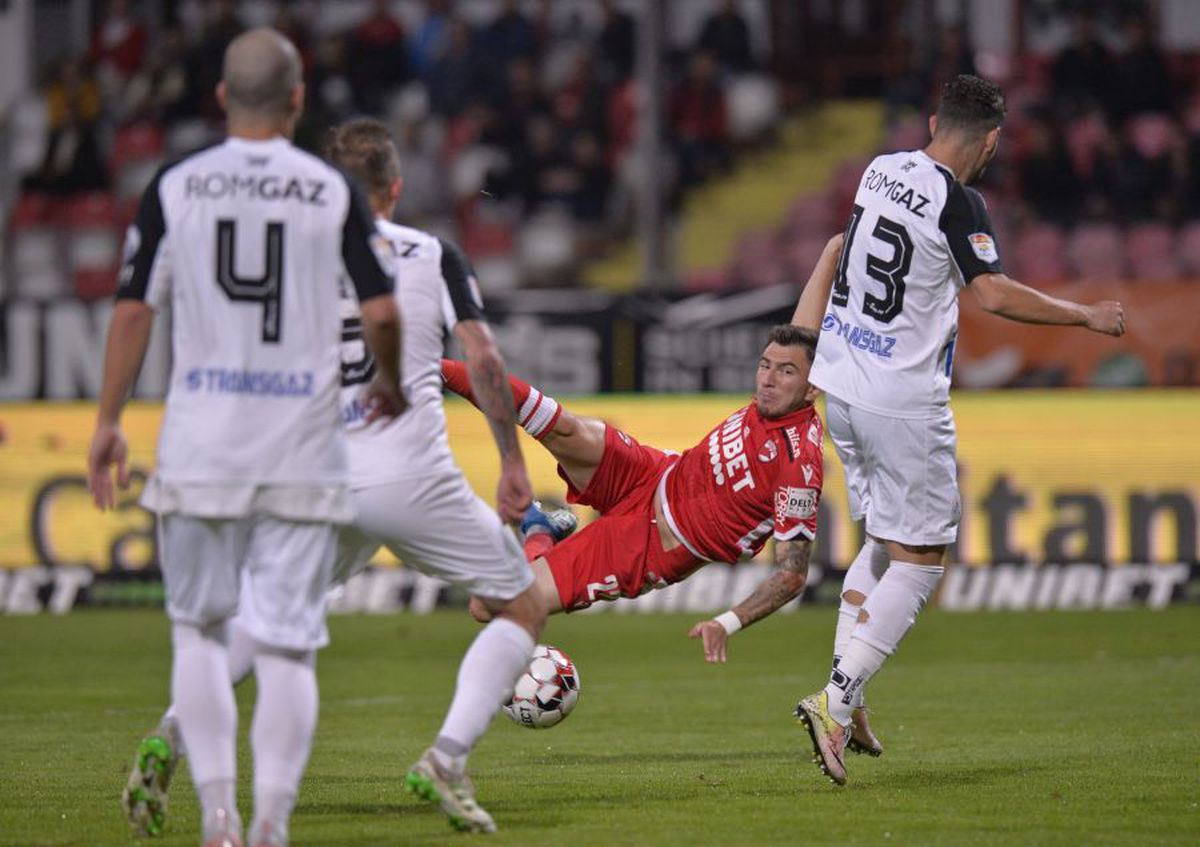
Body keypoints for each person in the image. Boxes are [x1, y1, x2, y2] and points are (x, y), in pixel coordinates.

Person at [120, 118, 549, 836]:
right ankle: (446, 757)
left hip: (309, 475)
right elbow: (485, 359)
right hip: (409, 475)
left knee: (264, 617)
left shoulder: (284, 258)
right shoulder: (429, 252)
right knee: (523, 602)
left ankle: (174, 727)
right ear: (396, 187)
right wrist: (510, 462)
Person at [90, 30, 406, 847]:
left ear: (223, 99)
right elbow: (380, 310)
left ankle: (218, 819)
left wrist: (106, 422)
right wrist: (391, 379)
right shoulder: (331, 189)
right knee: (289, 647)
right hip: (301, 446)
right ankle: (270, 823)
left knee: (197, 632)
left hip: (202, 443)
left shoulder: (175, 185)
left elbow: (132, 310)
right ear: (299, 100)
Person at [793, 74, 1125, 787]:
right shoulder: (959, 199)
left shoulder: (880, 170)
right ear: (993, 140)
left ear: (934, 120)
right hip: (901, 401)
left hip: (843, 386)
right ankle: (836, 697)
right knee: (921, 560)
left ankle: (846, 691)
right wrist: (1084, 315)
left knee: (884, 543)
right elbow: (992, 292)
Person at [450, 236, 849, 652]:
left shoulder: (798, 461)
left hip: (648, 549)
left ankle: (539, 536)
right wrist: (828, 255)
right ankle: (435, 370)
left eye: (784, 372)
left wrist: (729, 623)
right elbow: (803, 338)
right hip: (654, 473)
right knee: (563, 426)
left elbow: (792, 574)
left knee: (486, 605)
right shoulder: (782, 389)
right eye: (765, 365)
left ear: (811, 389)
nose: (768, 379)